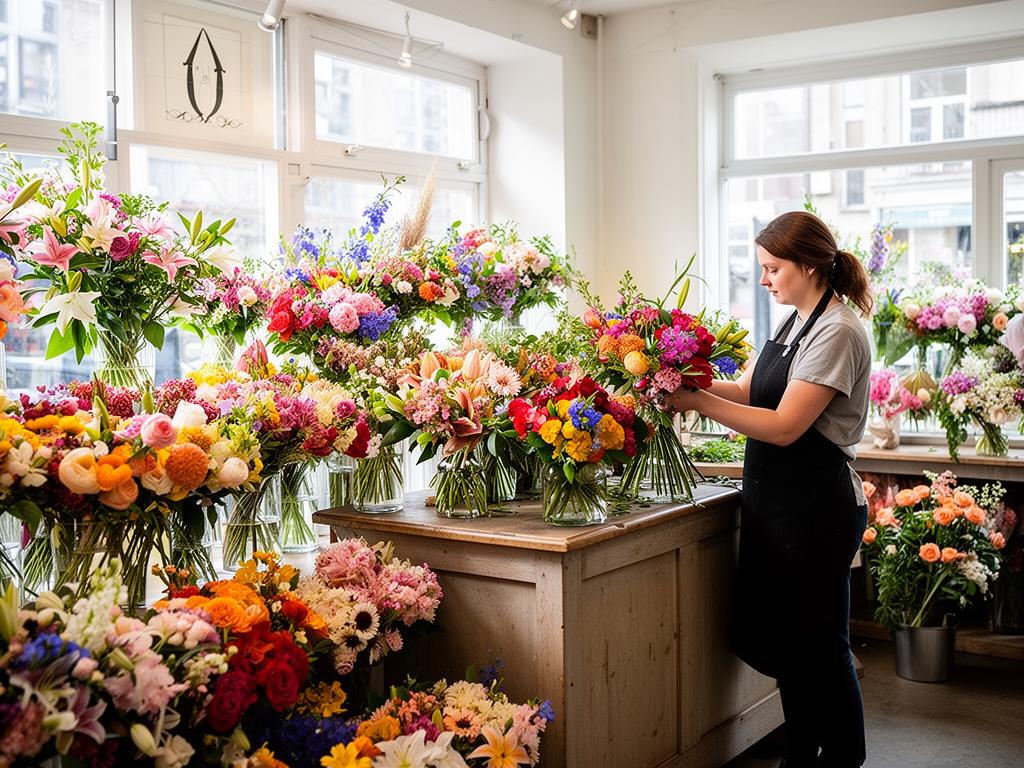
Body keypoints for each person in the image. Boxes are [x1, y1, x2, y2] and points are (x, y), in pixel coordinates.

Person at [664, 210, 872, 768]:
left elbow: (783, 426)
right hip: (778, 504)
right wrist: (685, 381)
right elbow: (748, 391)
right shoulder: (793, 323)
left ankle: (845, 757)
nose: (763, 279)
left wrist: (697, 402)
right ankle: (801, 753)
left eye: (773, 268)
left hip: (816, 508)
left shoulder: (837, 330)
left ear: (809, 265)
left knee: (821, 643)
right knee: (789, 643)